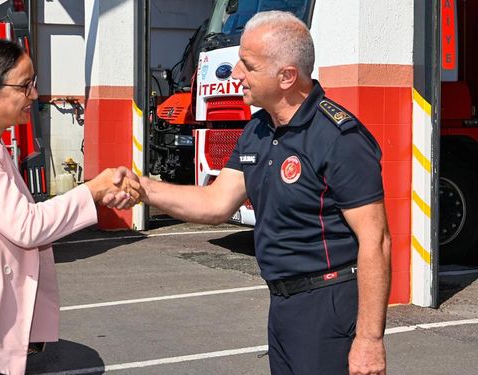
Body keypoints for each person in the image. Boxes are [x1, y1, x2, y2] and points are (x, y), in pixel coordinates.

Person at [135, 11, 391, 375]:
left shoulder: (339, 139)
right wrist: (144, 189)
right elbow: (215, 202)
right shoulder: (258, 128)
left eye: (248, 65)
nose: (235, 73)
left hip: (328, 308)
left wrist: (368, 340)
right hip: (282, 305)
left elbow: (376, 241)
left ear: (287, 76)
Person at [0, 38, 139, 375]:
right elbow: (26, 226)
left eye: (34, 83)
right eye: (25, 85)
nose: (33, 94)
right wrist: (93, 190)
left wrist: (98, 193)